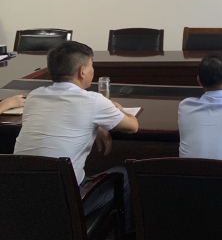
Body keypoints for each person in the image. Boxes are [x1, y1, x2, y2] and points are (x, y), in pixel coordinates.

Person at [13, 41, 139, 227]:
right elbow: (133, 126)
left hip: (18, 198)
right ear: (82, 71)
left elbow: (60, 118)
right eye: (91, 65)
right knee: (124, 174)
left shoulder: (34, 96)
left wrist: (96, 125)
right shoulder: (94, 101)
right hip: (62, 205)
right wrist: (119, 110)